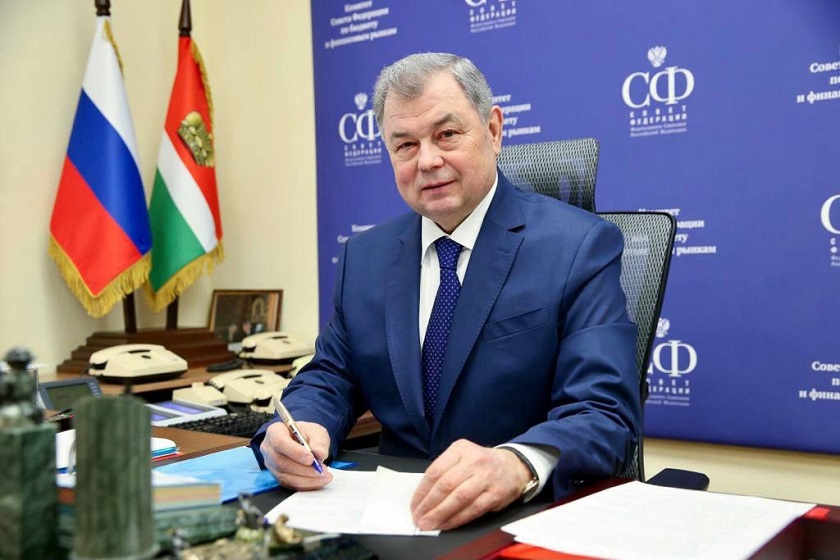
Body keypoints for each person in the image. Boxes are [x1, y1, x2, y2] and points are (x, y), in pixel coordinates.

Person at [250, 52, 640, 531]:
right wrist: (298, 427)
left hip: (523, 518)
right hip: (394, 520)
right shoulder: (364, 258)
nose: (428, 161)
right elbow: (330, 375)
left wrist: (516, 464)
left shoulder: (579, 246)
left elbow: (604, 413)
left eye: (447, 135)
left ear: (493, 130)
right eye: (405, 145)